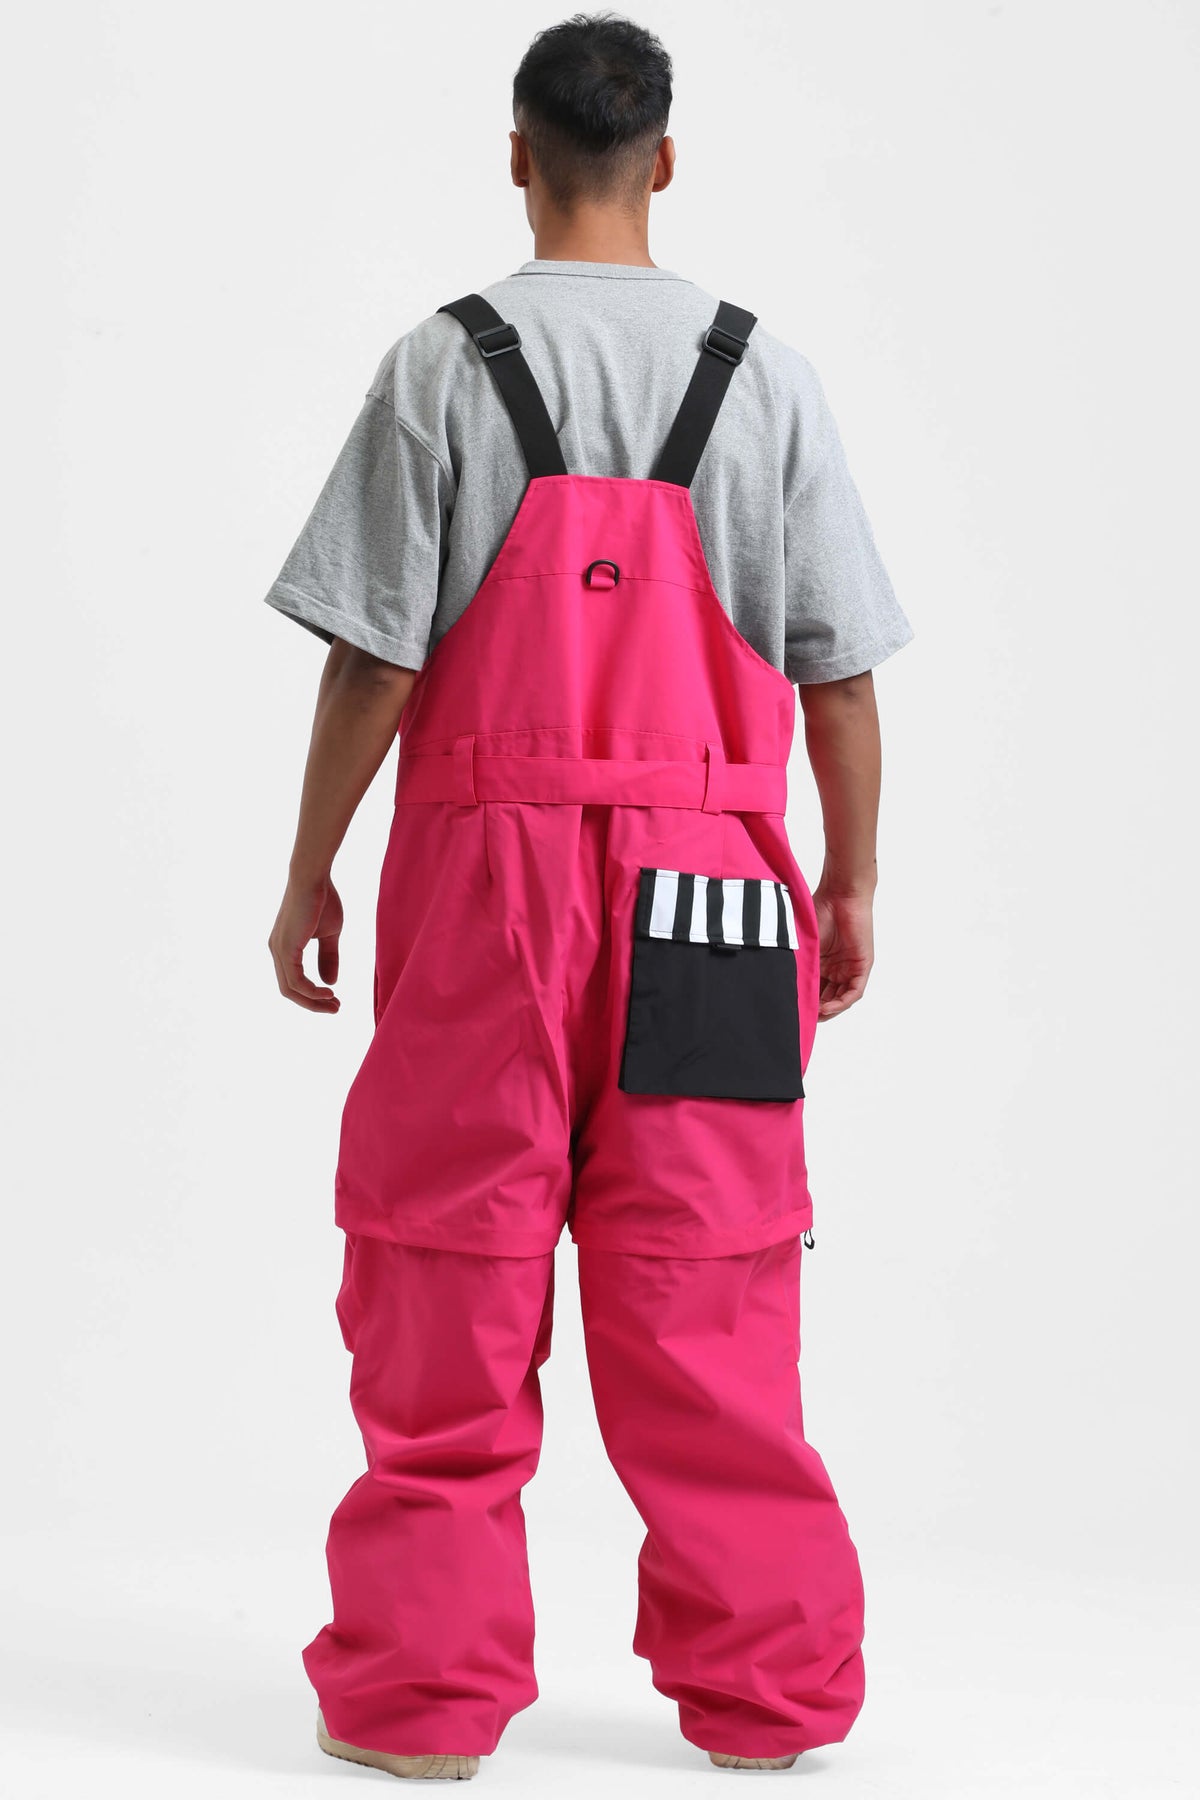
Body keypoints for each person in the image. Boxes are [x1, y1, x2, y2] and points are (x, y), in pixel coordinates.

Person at [263, 11, 913, 1782]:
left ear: (518, 156)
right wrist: (849, 882)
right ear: (666, 158)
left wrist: (312, 864)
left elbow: (373, 663)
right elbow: (841, 676)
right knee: (709, 1298)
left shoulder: (441, 363)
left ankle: (419, 1705)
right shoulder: (765, 376)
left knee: (446, 1277)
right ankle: (768, 1704)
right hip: (719, 897)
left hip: (485, 890)